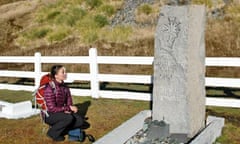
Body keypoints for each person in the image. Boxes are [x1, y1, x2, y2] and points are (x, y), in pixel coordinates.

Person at [44, 65, 83, 141]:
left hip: (61, 112)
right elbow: (51, 108)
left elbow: (69, 102)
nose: (65, 73)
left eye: (65, 72)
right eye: (63, 72)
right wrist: (67, 108)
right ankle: (52, 133)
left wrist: (69, 109)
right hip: (49, 114)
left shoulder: (65, 87)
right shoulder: (49, 88)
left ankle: (59, 128)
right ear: (56, 76)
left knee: (80, 121)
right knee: (68, 118)